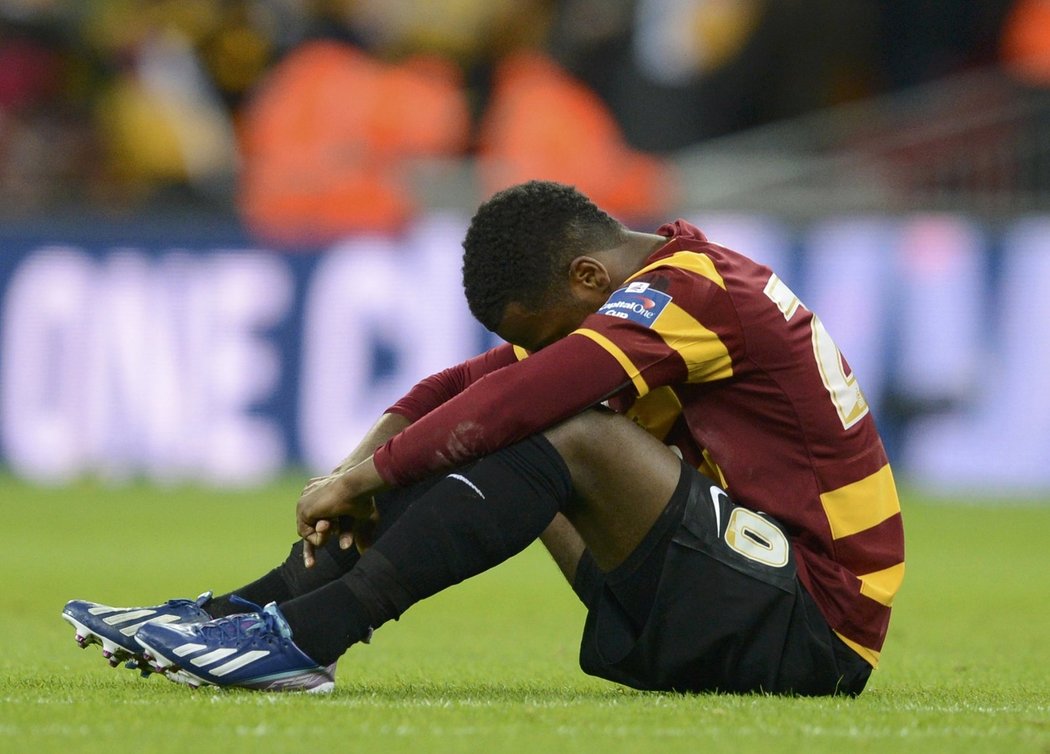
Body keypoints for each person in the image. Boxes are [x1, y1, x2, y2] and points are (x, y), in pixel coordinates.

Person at [63, 180, 904, 695]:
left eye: (553, 329)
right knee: (512, 427)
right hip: (728, 602)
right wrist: (357, 468)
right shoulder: (650, 290)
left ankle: (308, 641)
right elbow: (458, 387)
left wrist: (371, 478)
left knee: (564, 426)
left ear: (587, 276)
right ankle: (249, 614)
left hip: (815, 628)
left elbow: (533, 392)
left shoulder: (695, 291)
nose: (551, 346)